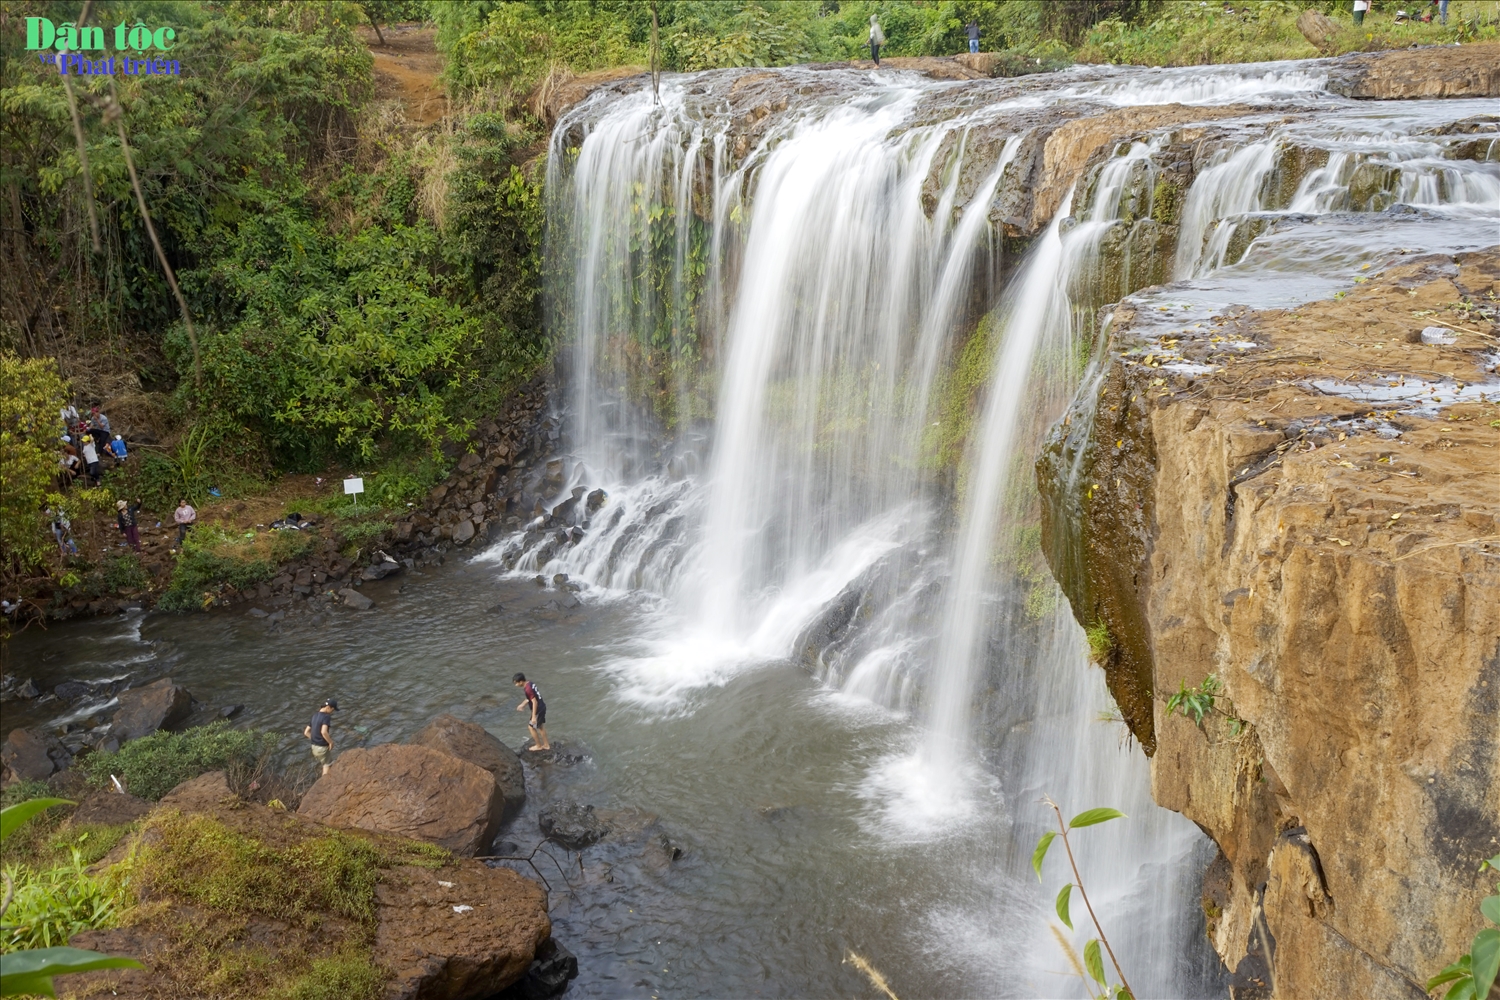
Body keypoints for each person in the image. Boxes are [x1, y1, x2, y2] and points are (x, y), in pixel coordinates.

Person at [513, 672, 550, 751]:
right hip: (542, 707)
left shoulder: (527, 689)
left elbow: (534, 702)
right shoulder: (530, 683)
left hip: (538, 709)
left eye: (516, 683)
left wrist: (533, 717)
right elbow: (530, 698)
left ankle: (539, 746)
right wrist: (522, 704)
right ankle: (546, 745)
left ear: (521, 682)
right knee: (540, 727)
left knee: (531, 727)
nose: (516, 685)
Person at [304, 699, 338, 774]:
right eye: (332, 710)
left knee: (326, 762)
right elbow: (324, 732)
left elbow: (306, 732)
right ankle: (325, 784)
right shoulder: (326, 717)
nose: (332, 712)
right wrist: (331, 742)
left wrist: (315, 739)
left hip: (314, 748)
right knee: (327, 766)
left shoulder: (314, 716)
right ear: (328, 707)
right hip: (322, 749)